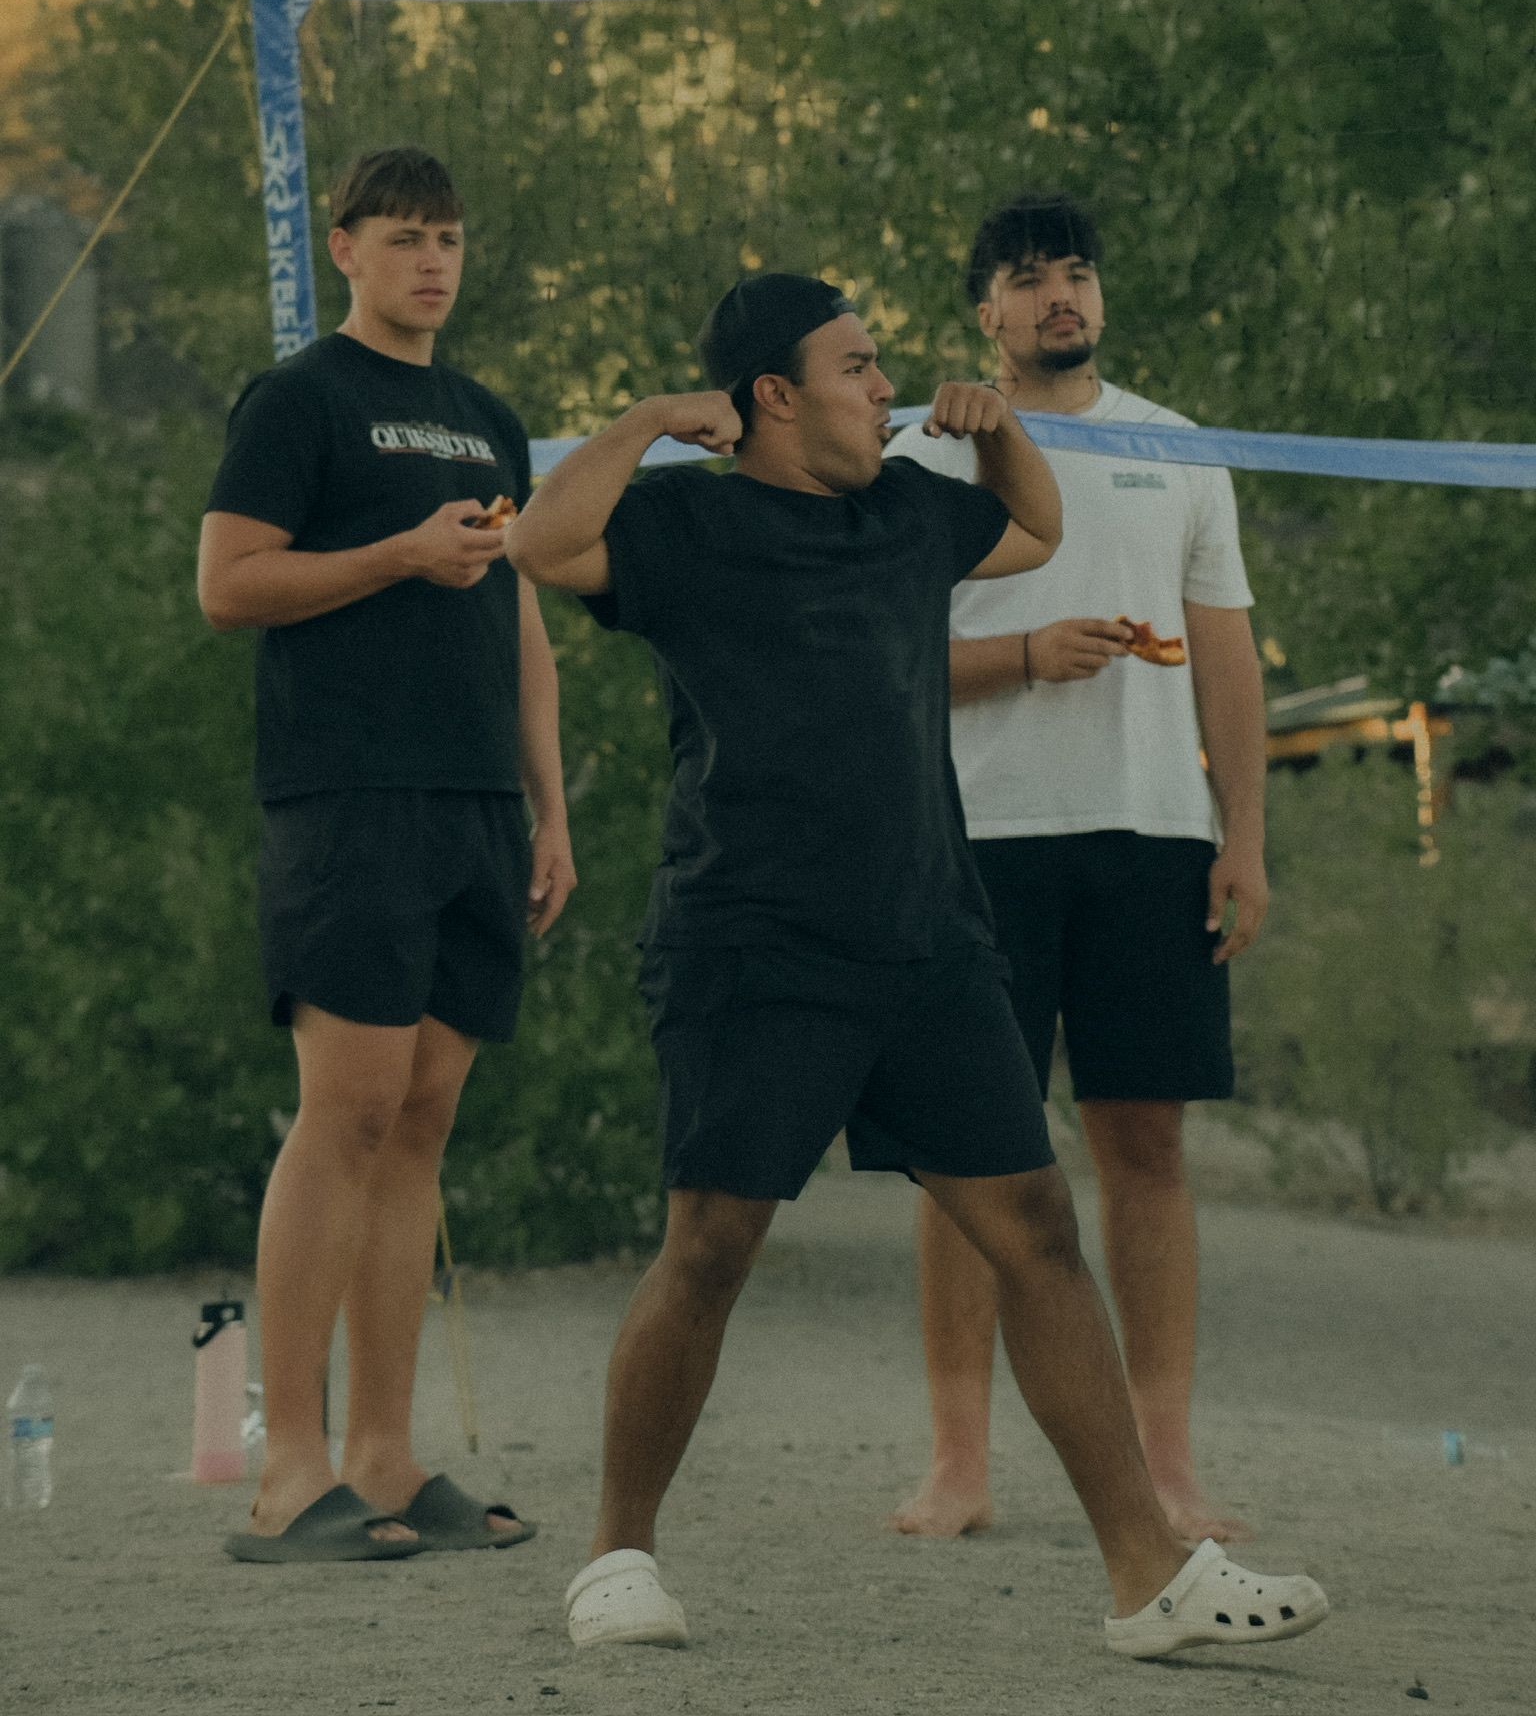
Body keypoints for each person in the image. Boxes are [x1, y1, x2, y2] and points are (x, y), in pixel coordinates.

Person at [503, 271, 1326, 1659]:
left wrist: (998, 430)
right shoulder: (687, 523)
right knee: (709, 1249)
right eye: (857, 366)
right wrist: (645, 421)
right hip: (753, 945)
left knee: (1040, 1233)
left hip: (932, 944)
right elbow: (539, 542)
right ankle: (616, 1559)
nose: (885, 386)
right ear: (774, 396)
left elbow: (1038, 526)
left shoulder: (904, 510)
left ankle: (1150, 1576)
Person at [198, 144, 576, 1564]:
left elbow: (518, 616)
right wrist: (395, 556)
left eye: (450, 238)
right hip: (347, 795)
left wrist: (550, 807)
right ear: (346, 248)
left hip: (476, 806)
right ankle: (286, 1471)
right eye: (406, 236)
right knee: (346, 1110)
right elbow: (228, 583)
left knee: (420, 1119)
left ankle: (385, 1455)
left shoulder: (488, 421)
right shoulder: (299, 401)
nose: (433, 260)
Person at [885, 193, 1265, 1547]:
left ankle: (1166, 1462)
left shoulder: (1179, 447)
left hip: (1154, 835)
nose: (1061, 296)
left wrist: (1244, 838)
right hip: (977, 840)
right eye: (1031, 277)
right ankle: (957, 1463)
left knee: (1146, 1147)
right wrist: (1026, 659)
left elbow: (1225, 653)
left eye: (1078, 274)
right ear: (984, 309)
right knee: (963, 1159)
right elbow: (879, 659)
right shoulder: (922, 451)